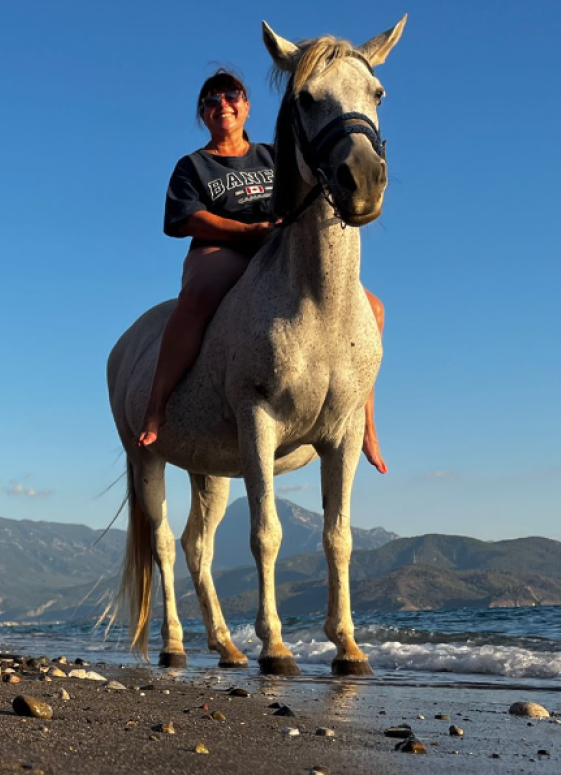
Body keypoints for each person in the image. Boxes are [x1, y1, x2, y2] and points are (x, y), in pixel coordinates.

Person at [136, 70, 387, 474]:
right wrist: (246, 230)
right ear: (203, 115)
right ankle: (155, 405)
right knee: (197, 296)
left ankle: (365, 425)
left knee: (371, 310)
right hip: (225, 249)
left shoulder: (273, 156)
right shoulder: (194, 166)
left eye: (232, 95)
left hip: (279, 249)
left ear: (247, 106)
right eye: (211, 101)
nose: (223, 104)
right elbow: (185, 220)